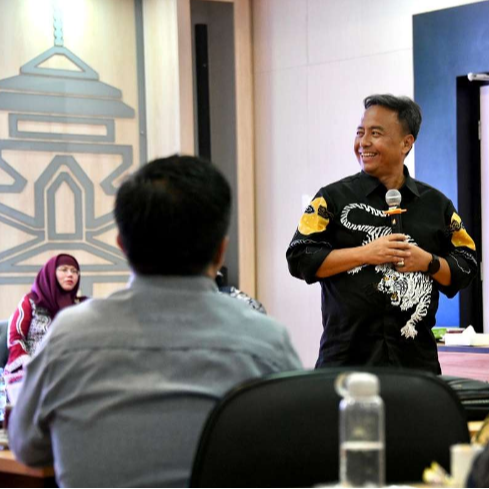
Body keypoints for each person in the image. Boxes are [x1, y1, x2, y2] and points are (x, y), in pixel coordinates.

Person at [9, 155, 302, 488]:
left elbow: (26, 447)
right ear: (221, 251)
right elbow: (300, 456)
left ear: (122, 246)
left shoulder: (68, 336)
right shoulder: (266, 342)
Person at [287, 94, 477, 374]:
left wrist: (428, 262)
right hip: (345, 365)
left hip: (416, 367)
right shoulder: (331, 199)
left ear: (406, 143)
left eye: (375, 134)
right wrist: (365, 254)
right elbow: (299, 257)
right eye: (360, 133)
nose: (363, 142)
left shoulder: (437, 205)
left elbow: (467, 264)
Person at [4, 254, 84, 380]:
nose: (70, 274)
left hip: (71, 370)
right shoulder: (31, 301)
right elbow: (15, 337)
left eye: (74, 271)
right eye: (64, 269)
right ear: (51, 273)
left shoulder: (82, 305)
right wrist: (29, 365)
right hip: (32, 370)